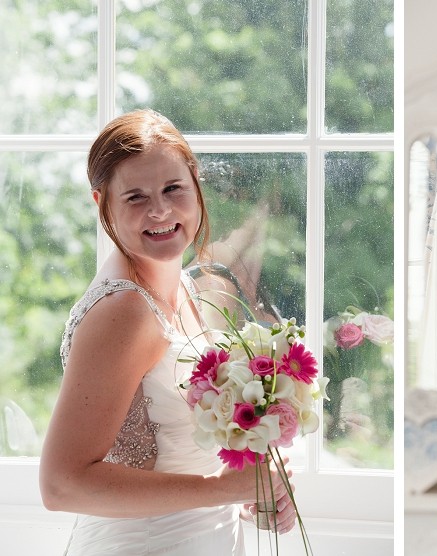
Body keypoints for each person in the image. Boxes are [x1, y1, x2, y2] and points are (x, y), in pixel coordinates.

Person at [39, 109, 296, 555]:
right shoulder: (124, 311)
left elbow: (176, 456)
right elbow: (62, 485)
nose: (159, 210)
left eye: (173, 188)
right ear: (102, 205)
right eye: (135, 197)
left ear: (195, 184)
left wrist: (251, 495)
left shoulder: (189, 289)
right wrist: (224, 490)